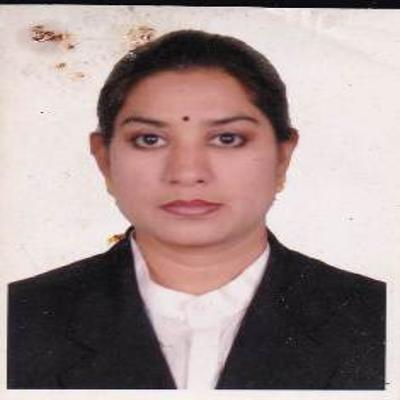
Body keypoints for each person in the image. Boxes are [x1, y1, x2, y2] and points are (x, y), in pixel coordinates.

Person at [7, 29, 385, 390]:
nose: (187, 173)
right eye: (150, 139)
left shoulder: (378, 319)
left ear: (282, 157)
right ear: (104, 158)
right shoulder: (20, 318)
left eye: (227, 138)